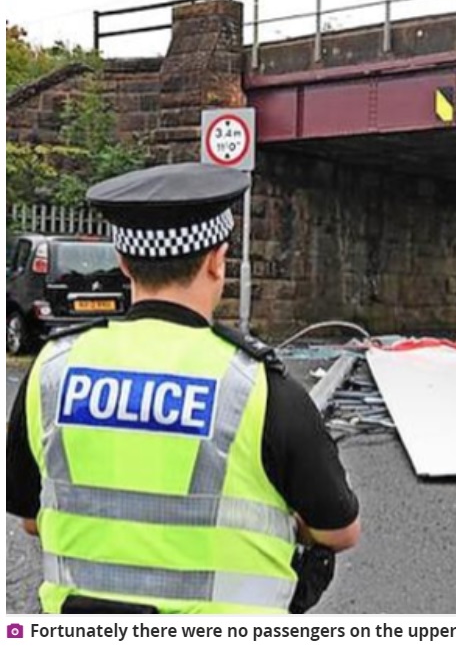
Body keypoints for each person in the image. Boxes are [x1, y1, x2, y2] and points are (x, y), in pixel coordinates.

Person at [6, 163, 360, 614]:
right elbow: (339, 531)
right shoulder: (258, 386)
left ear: (124, 263)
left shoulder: (51, 370)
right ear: (216, 261)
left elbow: (32, 520)